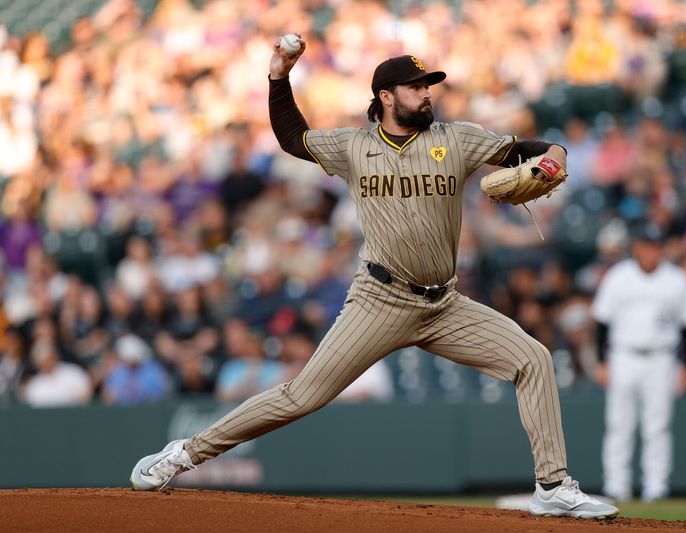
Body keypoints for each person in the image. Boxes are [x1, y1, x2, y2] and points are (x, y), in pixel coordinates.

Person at [130, 37, 618, 520]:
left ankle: (552, 486)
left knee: (532, 358)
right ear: (386, 96)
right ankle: (186, 453)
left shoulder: (455, 139)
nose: (426, 93)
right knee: (302, 396)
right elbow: (291, 138)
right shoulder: (355, 147)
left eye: (428, 86)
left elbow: (526, 149)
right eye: (415, 87)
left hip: (444, 305)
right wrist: (279, 76)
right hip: (379, 300)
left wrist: (554, 156)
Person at [591, 222, 686, 502]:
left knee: (658, 424)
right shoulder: (619, 276)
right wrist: (601, 362)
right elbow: (602, 323)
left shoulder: (675, 278)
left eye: (655, 246)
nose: (651, 251)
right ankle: (616, 485)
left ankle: (657, 487)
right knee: (619, 424)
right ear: (637, 247)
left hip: (662, 358)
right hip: (623, 355)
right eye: (646, 245)